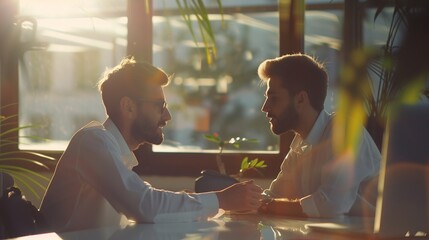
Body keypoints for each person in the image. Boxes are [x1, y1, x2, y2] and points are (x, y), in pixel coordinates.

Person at [39, 56, 263, 232]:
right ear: (128, 107)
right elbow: (145, 207)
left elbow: (144, 202)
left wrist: (192, 201)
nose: (167, 116)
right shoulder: (92, 141)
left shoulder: (116, 153)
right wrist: (222, 199)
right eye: (159, 106)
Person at [257, 53, 381, 218]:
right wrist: (246, 199)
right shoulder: (300, 145)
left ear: (301, 99)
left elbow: (330, 204)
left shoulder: (342, 132)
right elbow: (275, 195)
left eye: (273, 98)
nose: (265, 108)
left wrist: (270, 206)